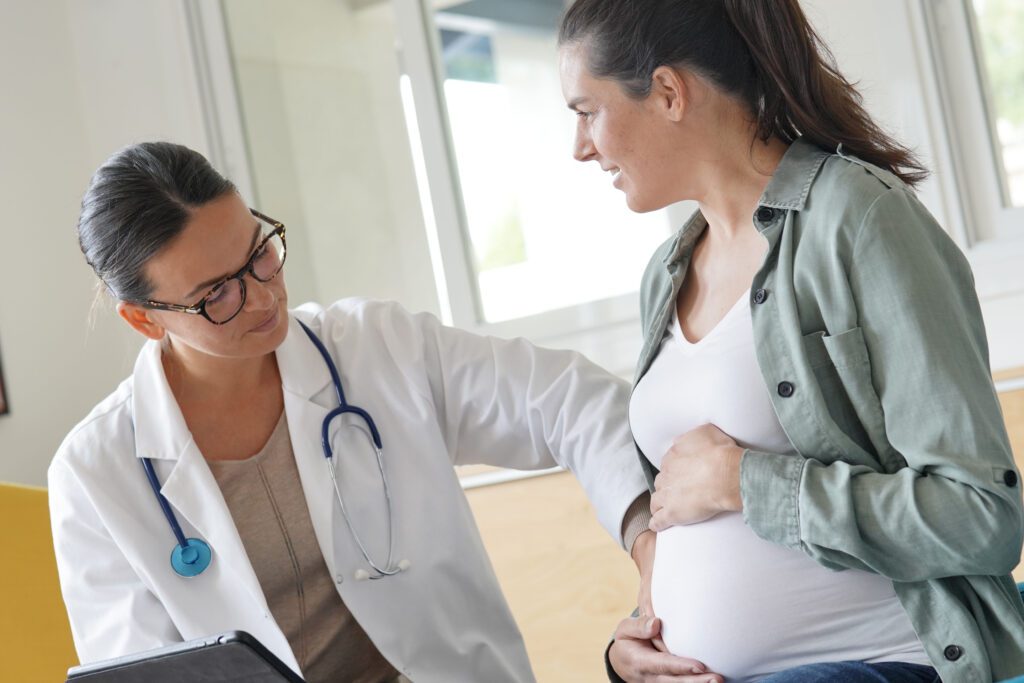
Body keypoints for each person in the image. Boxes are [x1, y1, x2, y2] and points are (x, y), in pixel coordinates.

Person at [48, 142, 655, 683]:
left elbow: (571, 400)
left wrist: (648, 537)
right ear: (144, 318)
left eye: (259, 254)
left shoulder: (374, 347)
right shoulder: (94, 473)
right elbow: (140, 674)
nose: (262, 296)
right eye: (216, 295)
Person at [557, 0, 1024, 681]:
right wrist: (637, 644)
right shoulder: (665, 275)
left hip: (883, 660)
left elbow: (983, 517)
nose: (579, 147)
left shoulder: (858, 218)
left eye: (585, 111)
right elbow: (692, 515)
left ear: (667, 92)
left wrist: (750, 482)